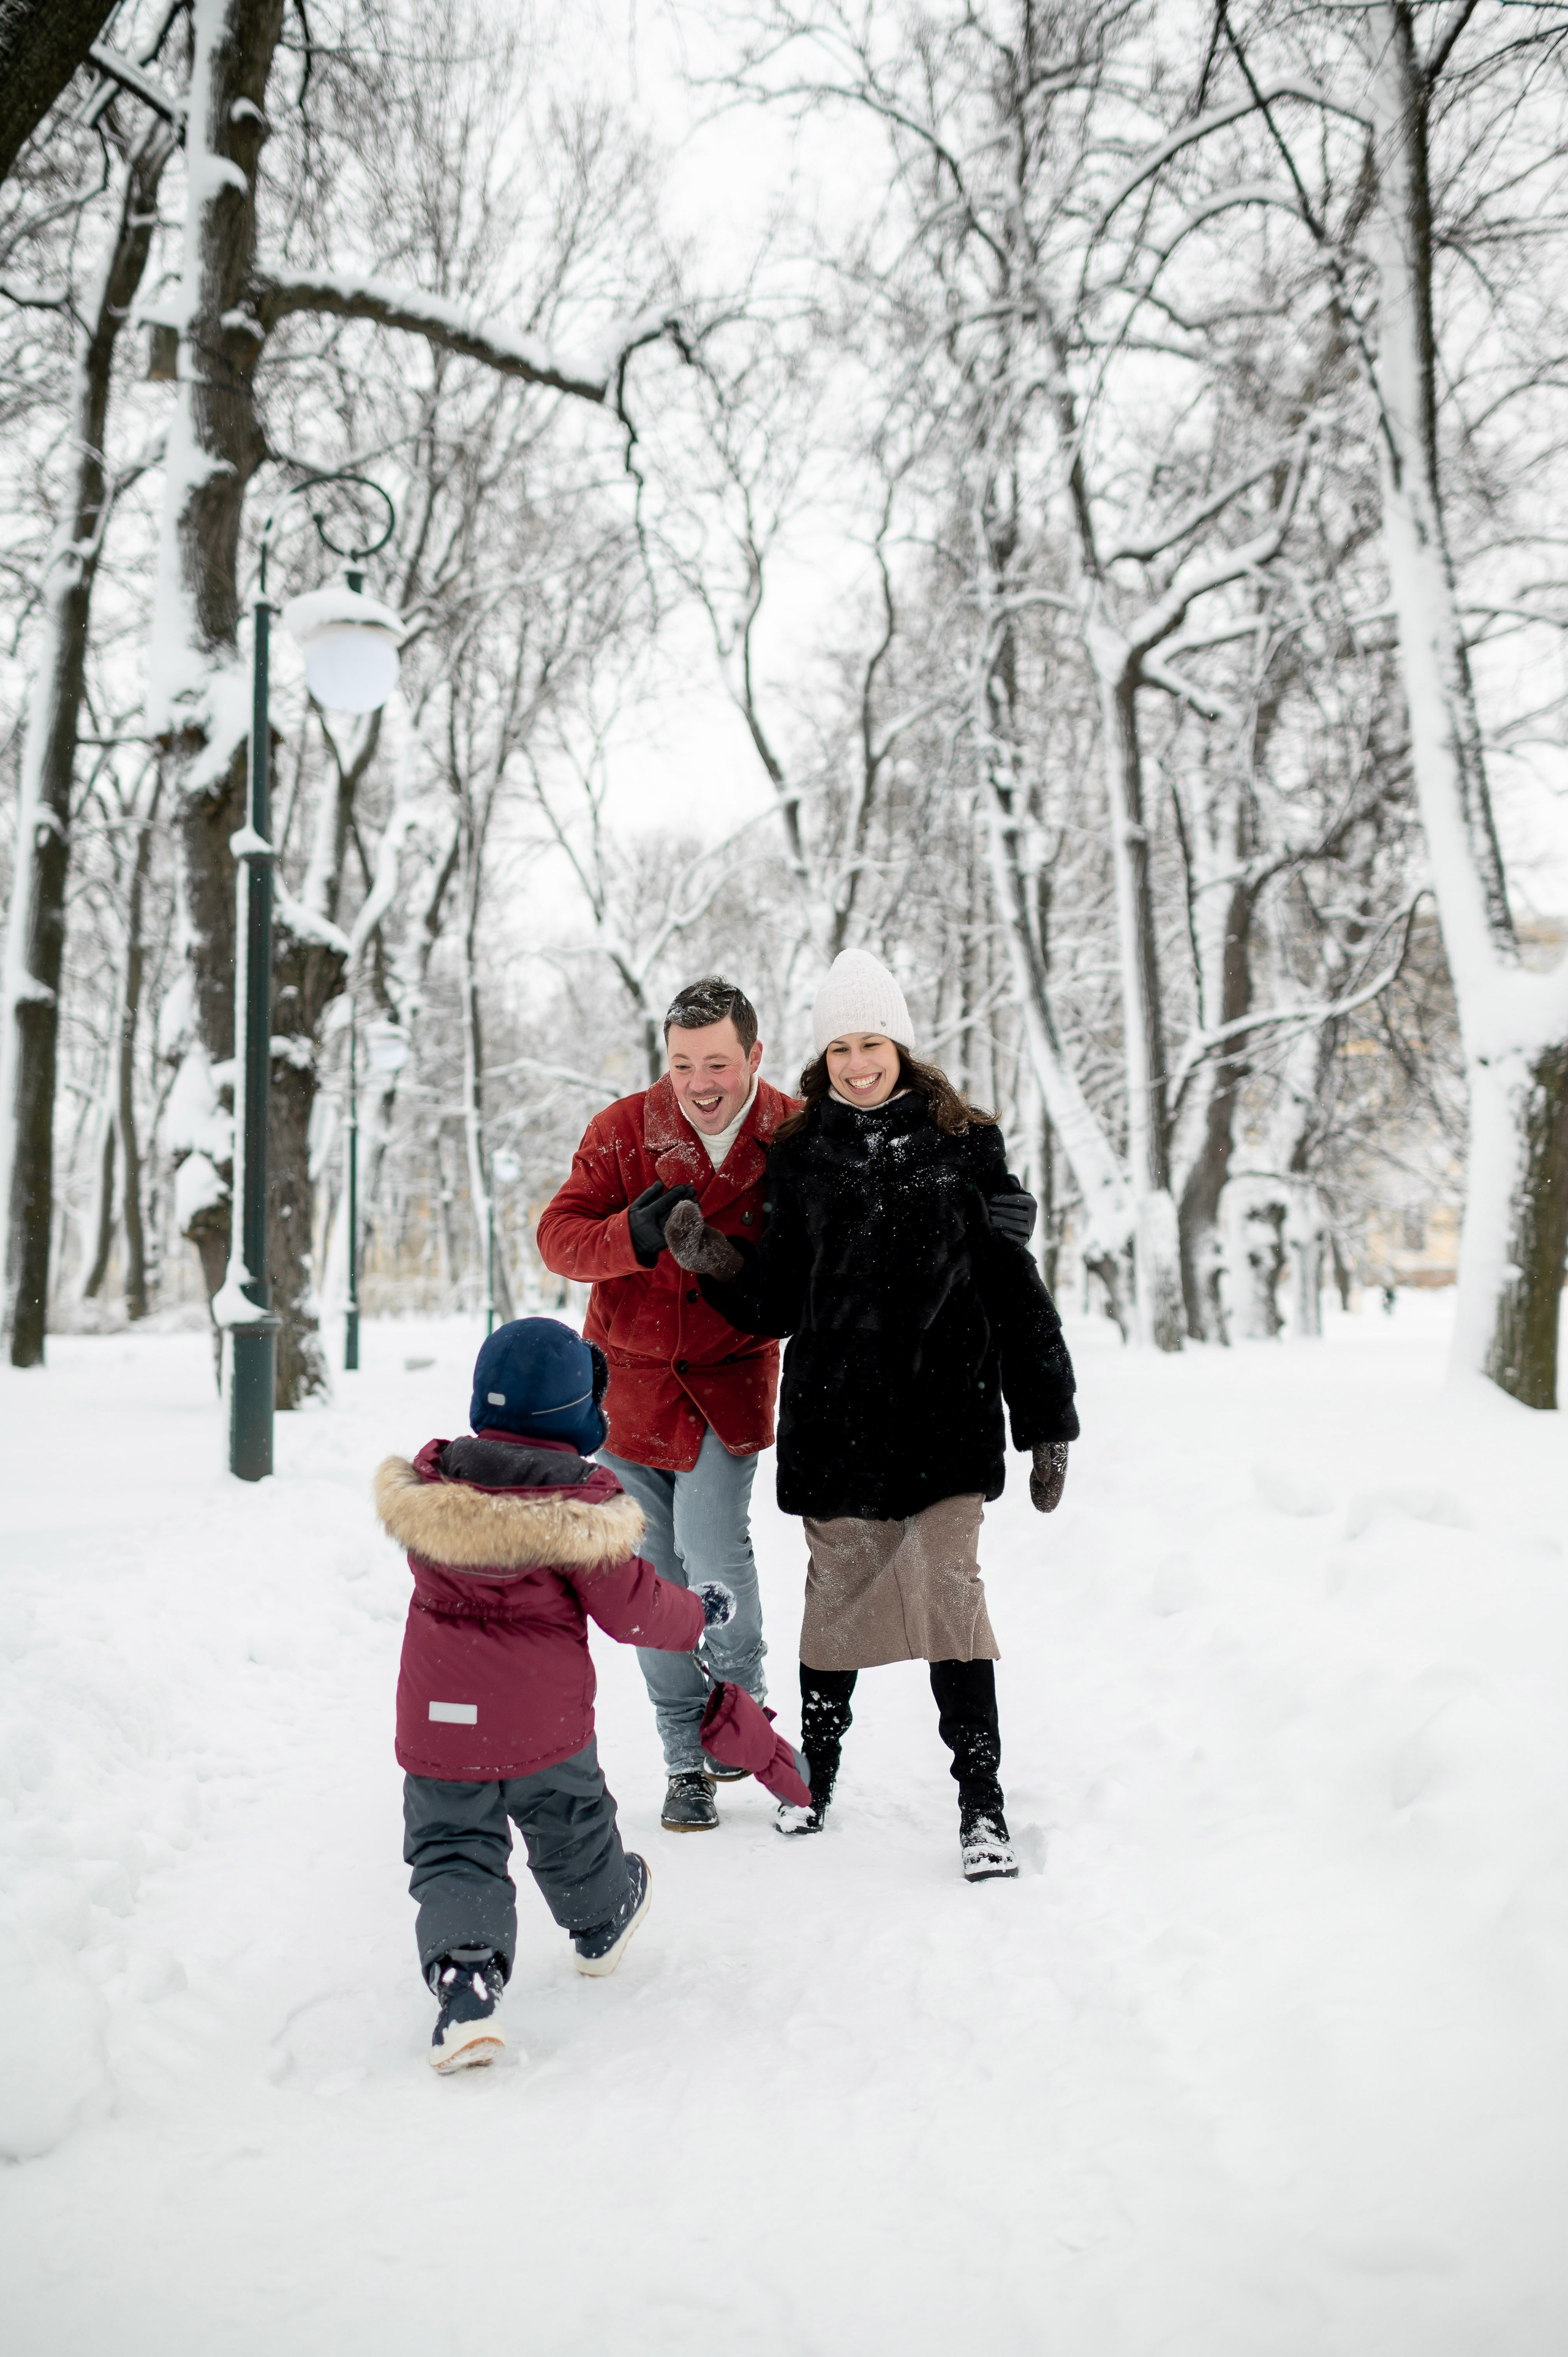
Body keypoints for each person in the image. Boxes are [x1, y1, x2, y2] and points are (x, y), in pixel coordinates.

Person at [666, 947, 1079, 1883]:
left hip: (946, 1423)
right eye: (841, 1047)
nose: (858, 1064)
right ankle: (817, 1777)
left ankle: (983, 1807)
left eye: (873, 1043)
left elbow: (1016, 1293)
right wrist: (712, 1259)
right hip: (840, 1426)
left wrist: (1047, 1421)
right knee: (835, 1611)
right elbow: (776, 1300)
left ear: (900, 1042)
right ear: (823, 1056)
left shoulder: (967, 1145)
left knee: (952, 1609)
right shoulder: (802, 1154)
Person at [375, 1316, 736, 2072]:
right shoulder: (579, 1508)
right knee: (569, 1817)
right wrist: (701, 1609)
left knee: (452, 1844)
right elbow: (637, 1609)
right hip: (542, 1722)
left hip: (439, 1722)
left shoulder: (433, 1490)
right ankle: (601, 1920)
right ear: (577, 1414)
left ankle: (466, 1981)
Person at [535, 978, 797, 1833]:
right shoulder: (623, 1132)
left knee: (715, 1549)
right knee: (655, 1579)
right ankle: (686, 1756)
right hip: (630, 1395)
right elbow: (557, 1237)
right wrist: (629, 1241)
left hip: (727, 1382)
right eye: (683, 1064)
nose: (701, 1081)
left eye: (718, 1062)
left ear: (754, 1056)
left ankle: (740, 1710)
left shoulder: (792, 1133)